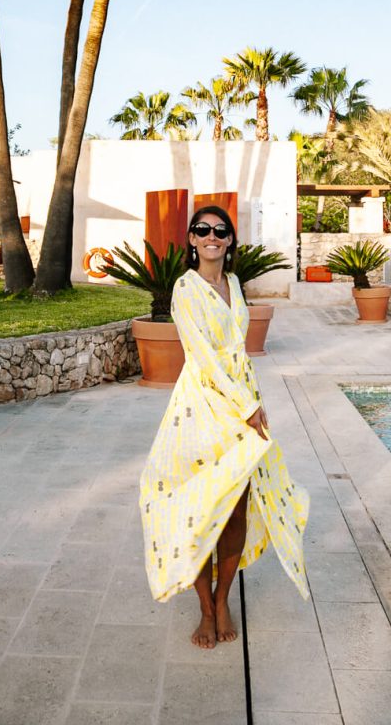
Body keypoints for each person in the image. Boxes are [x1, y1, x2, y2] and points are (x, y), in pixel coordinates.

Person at [139, 205, 310, 649]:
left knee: (235, 508)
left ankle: (222, 598)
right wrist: (248, 407)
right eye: (203, 230)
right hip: (201, 410)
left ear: (230, 240)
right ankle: (203, 607)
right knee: (199, 509)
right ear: (192, 240)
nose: (212, 236)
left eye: (220, 230)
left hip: (244, 404)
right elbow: (207, 358)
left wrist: (253, 403)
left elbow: (238, 353)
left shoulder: (235, 284)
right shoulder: (184, 289)